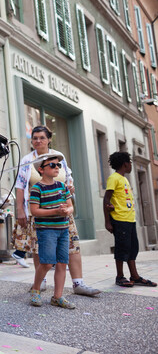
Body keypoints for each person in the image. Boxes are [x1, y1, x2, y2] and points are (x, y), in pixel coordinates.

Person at [13, 125, 100, 296]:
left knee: (72, 246)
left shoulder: (59, 156)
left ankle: (78, 283)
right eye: (35, 138)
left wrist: (71, 186)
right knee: (39, 247)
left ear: (49, 139)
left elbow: (68, 178)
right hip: (39, 213)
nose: (38, 141)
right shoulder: (27, 160)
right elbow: (20, 187)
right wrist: (20, 211)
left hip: (62, 212)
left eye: (42, 138)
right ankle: (42, 281)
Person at [103, 152, 157, 288]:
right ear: (125, 164)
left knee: (132, 248)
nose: (131, 165)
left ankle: (135, 276)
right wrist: (108, 221)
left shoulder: (124, 179)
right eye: (130, 163)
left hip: (129, 220)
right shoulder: (114, 178)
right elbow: (106, 199)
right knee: (122, 248)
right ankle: (120, 276)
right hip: (119, 220)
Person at [29, 153, 75, 309]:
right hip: (47, 230)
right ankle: (36, 289)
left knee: (62, 263)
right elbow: (34, 211)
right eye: (53, 165)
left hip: (63, 229)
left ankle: (58, 296)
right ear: (41, 169)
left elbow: (71, 206)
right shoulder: (37, 188)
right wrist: (55, 211)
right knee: (47, 262)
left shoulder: (62, 186)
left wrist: (67, 211)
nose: (57, 168)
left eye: (58, 165)